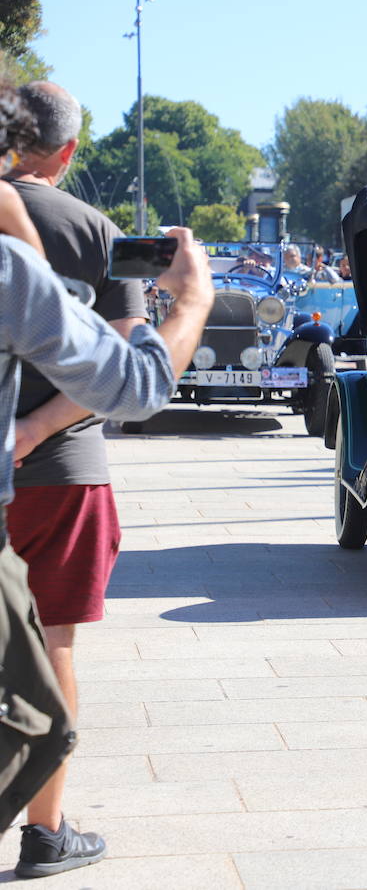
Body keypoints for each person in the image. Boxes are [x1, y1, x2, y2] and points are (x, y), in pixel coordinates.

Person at [2, 184, 214, 880]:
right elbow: (131, 377)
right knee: (49, 657)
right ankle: (46, 831)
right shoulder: (87, 231)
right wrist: (192, 299)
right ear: (63, 152)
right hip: (60, 471)